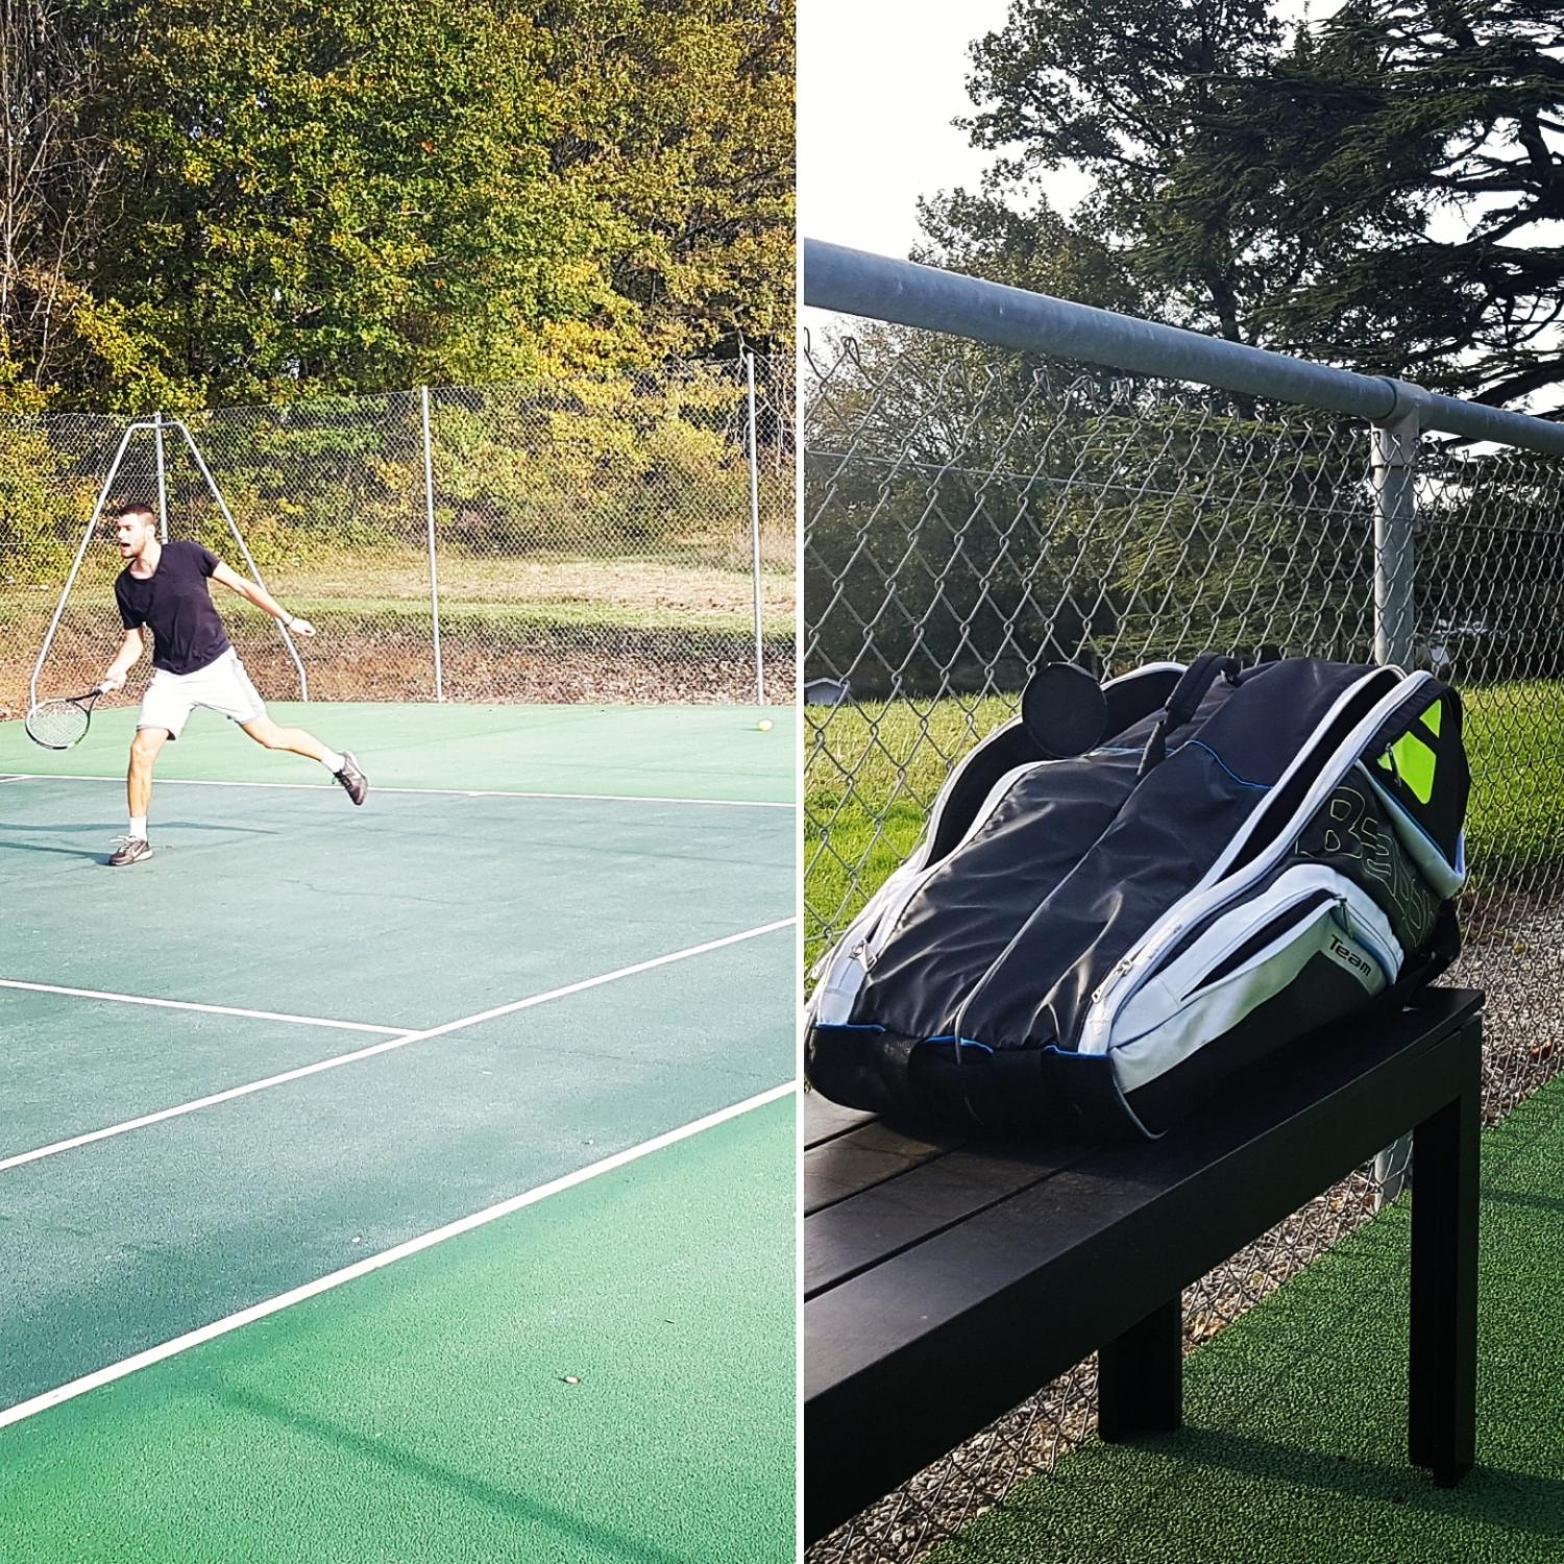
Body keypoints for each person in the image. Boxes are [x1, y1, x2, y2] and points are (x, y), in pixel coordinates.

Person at [99, 503, 368, 866]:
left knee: (270, 737)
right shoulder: (125, 586)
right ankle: (138, 838)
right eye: (118, 529)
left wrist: (288, 619)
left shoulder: (188, 554)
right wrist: (117, 670)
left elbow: (242, 585)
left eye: (127, 529)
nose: (120, 536)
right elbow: (135, 642)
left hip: (216, 667)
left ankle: (339, 763)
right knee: (140, 752)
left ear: (149, 530)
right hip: (170, 678)